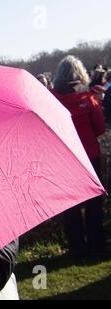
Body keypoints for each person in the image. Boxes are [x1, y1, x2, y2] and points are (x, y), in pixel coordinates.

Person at [52, 55, 108, 257]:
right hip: (89, 156)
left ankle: (76, 245)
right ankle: (96, 243)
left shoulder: (50, 98)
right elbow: (100, 129)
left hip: (64, 158)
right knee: (94, 202)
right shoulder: (88, 98)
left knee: (70, 203)